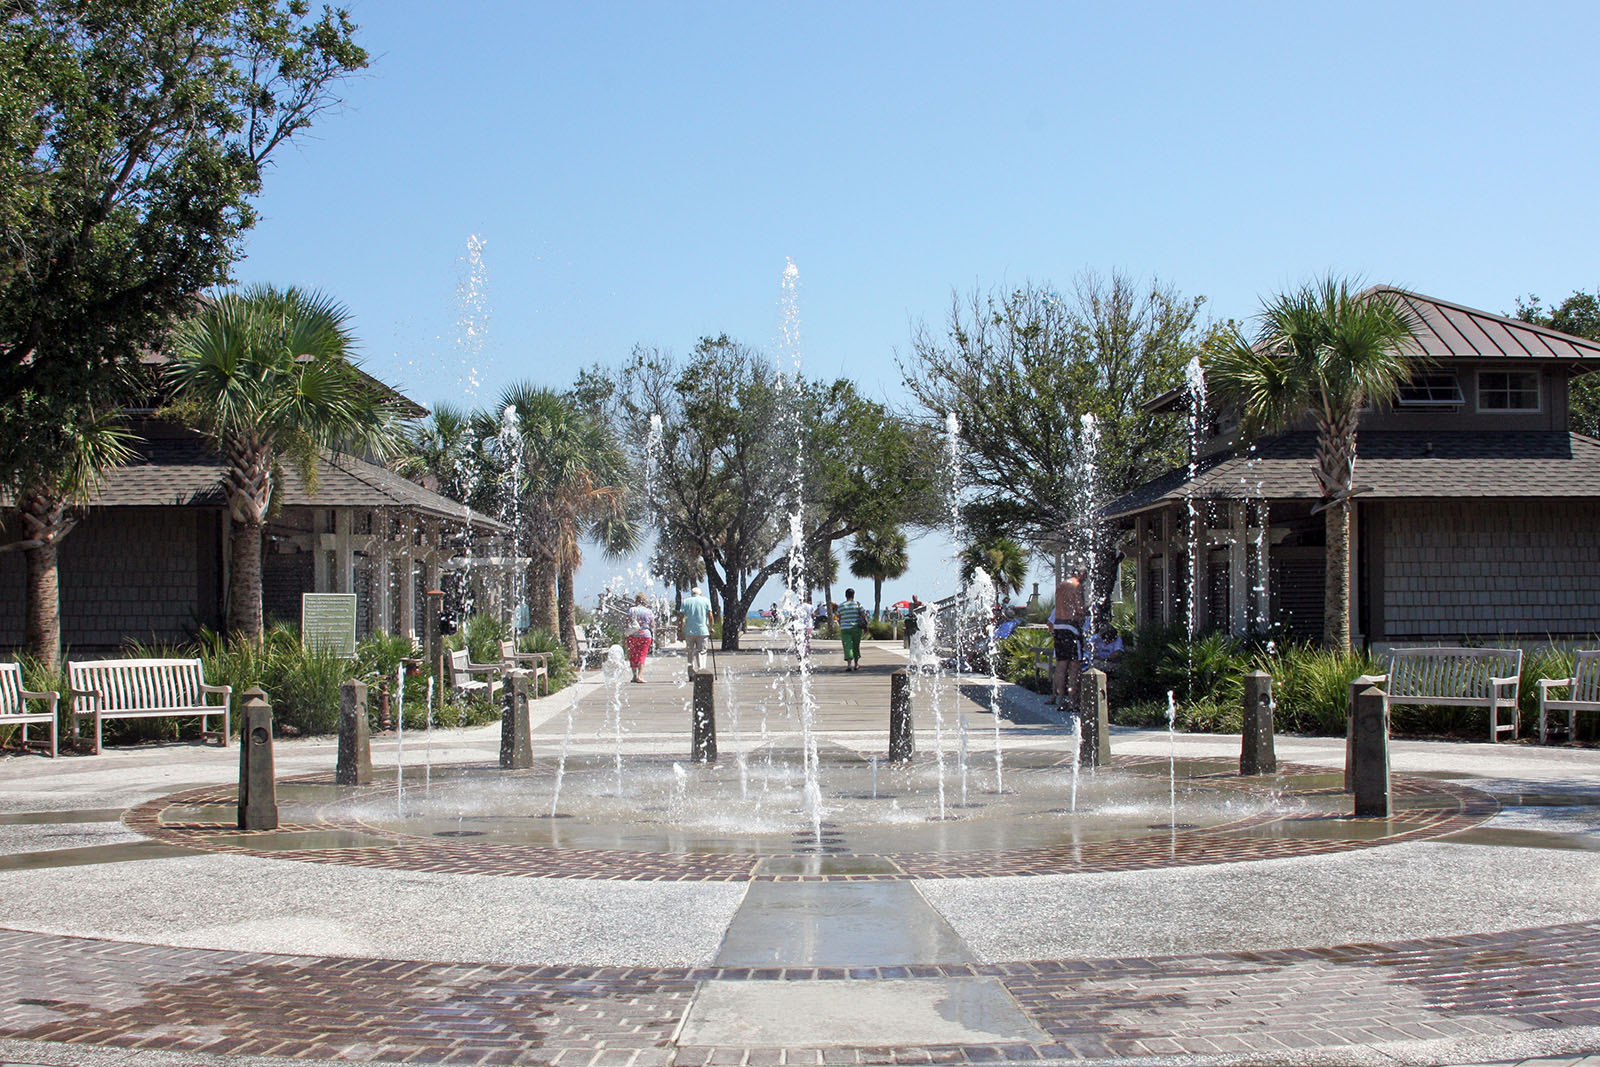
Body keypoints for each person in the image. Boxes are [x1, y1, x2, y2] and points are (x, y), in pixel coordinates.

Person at [1050, 565, 1088, 706]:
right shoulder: (1077, 586)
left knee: (1061, 665)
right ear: (1082, 574)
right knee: (1074, 664)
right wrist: (1087, 609)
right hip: (1071, 627)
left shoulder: (1061, 585)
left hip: (1058, 625)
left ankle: (1060, 699)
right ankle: (1073, 699)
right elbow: (1079, 608)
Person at [679, 585, 715, 678]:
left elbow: (681, 616)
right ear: (700, 594)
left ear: (692, 593)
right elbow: (710, 615)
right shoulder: (706, 600)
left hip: (689, 631)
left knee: (690, 652)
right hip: (702, 631)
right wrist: (711, 627)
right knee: (702, 651)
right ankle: (701, 671)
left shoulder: (686, 601)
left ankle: (691, 673)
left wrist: (680, 629)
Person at [625, 593, 655, 683]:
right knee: (642, 655)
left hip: (633, 635)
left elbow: (627, 622)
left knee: (633, 655)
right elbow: (652, 624)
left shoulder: (632, 610)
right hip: (645, 635)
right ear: (645, 601)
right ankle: (640, 676)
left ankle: (634, 676)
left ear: (636, 601)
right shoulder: (649, 611)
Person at [836, 588, 868, 671]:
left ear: (845, 595)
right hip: (856, 628)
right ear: (853, 595)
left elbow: (838, 618)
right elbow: (863, 615)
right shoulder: (857, 604)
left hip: (845, 629)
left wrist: (842, 625)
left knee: (847, 646)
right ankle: (856, 664)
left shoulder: (841, 606)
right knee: (855, 645)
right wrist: (865, 626)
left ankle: (849, 665)